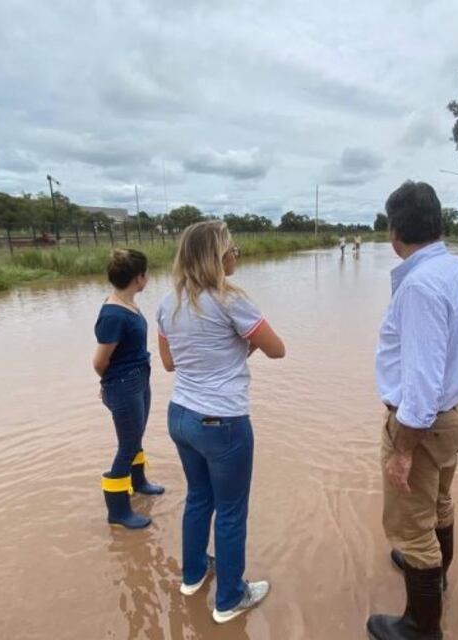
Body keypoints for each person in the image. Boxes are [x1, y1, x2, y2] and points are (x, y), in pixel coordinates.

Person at [367, 181, 458, 640]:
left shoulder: (418, 286)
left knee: (412, 528)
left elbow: (420, 385)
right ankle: (438, 577)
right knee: (438, 502)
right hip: (455, 413)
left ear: (395, 231)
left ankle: (421, 627)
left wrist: (402, 449)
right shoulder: (457, 268)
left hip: (424, 424)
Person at [156, 220, 285, 624]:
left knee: (198, 498)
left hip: (180, 415)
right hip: (222, 421)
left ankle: (193, 575)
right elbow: (277, 349)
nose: (236, 255)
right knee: (230, 511)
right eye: (232, 248)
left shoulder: (167, 303)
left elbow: (169, 362)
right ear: (217, 255)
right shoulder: (231, 300)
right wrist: (239, 348)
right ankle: (229, 598)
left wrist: (225, 354)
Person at [93, 249, 164, 530]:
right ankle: (118, 510)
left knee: (136, 436)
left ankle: (139, 482)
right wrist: (108, 383)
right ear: (139, 277)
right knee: (127, 445)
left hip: (137, 379)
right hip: (124, 384)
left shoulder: (127, 304)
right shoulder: (113, 314)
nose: (147, 277)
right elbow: (99, 361)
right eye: (146, 273)